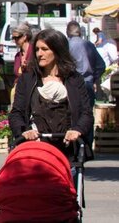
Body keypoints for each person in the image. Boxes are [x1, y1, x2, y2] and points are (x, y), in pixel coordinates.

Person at [9, 28, 93, 170]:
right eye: (37, 49)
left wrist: (77, 130)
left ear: (57, 50)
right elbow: (16, 113)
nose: (39, 54)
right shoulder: (28, 79)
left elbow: (86, 113)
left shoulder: (74, 79)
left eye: (44, 49)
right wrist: (24, 131)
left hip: (67, 151)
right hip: (36, 150)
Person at [66, 20, 105, 98]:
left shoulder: (66, 46)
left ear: (67, 32)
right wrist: (95, 78)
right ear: (79, 32)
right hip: (87, 83)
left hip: (72, 85)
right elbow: (101, 65)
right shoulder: (89, 45)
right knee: (88, 108)